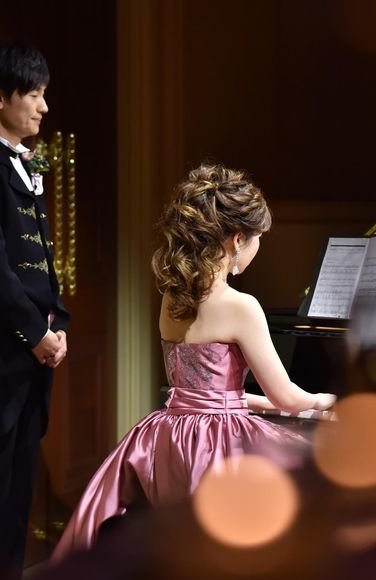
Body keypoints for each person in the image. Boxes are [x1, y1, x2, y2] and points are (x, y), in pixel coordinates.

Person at [51, 163, 336, 561]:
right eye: (258, 239)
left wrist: (261, 404)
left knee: (185, 544)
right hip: (216, 443)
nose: (258, 247)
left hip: (168, 437)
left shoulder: (172, 296)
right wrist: (324, 400)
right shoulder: (241, 306)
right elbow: (287, 397)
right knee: (320, 481)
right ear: (238, 239)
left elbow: (206, 394)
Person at [0, 41, 69, 578]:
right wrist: (33, 332)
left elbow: (44, 256)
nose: (44, 107)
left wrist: (58, 323)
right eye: (34, 94)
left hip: (33, 352)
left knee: (20, 485)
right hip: (5, 352)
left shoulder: (28, 162)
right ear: (2, 97)